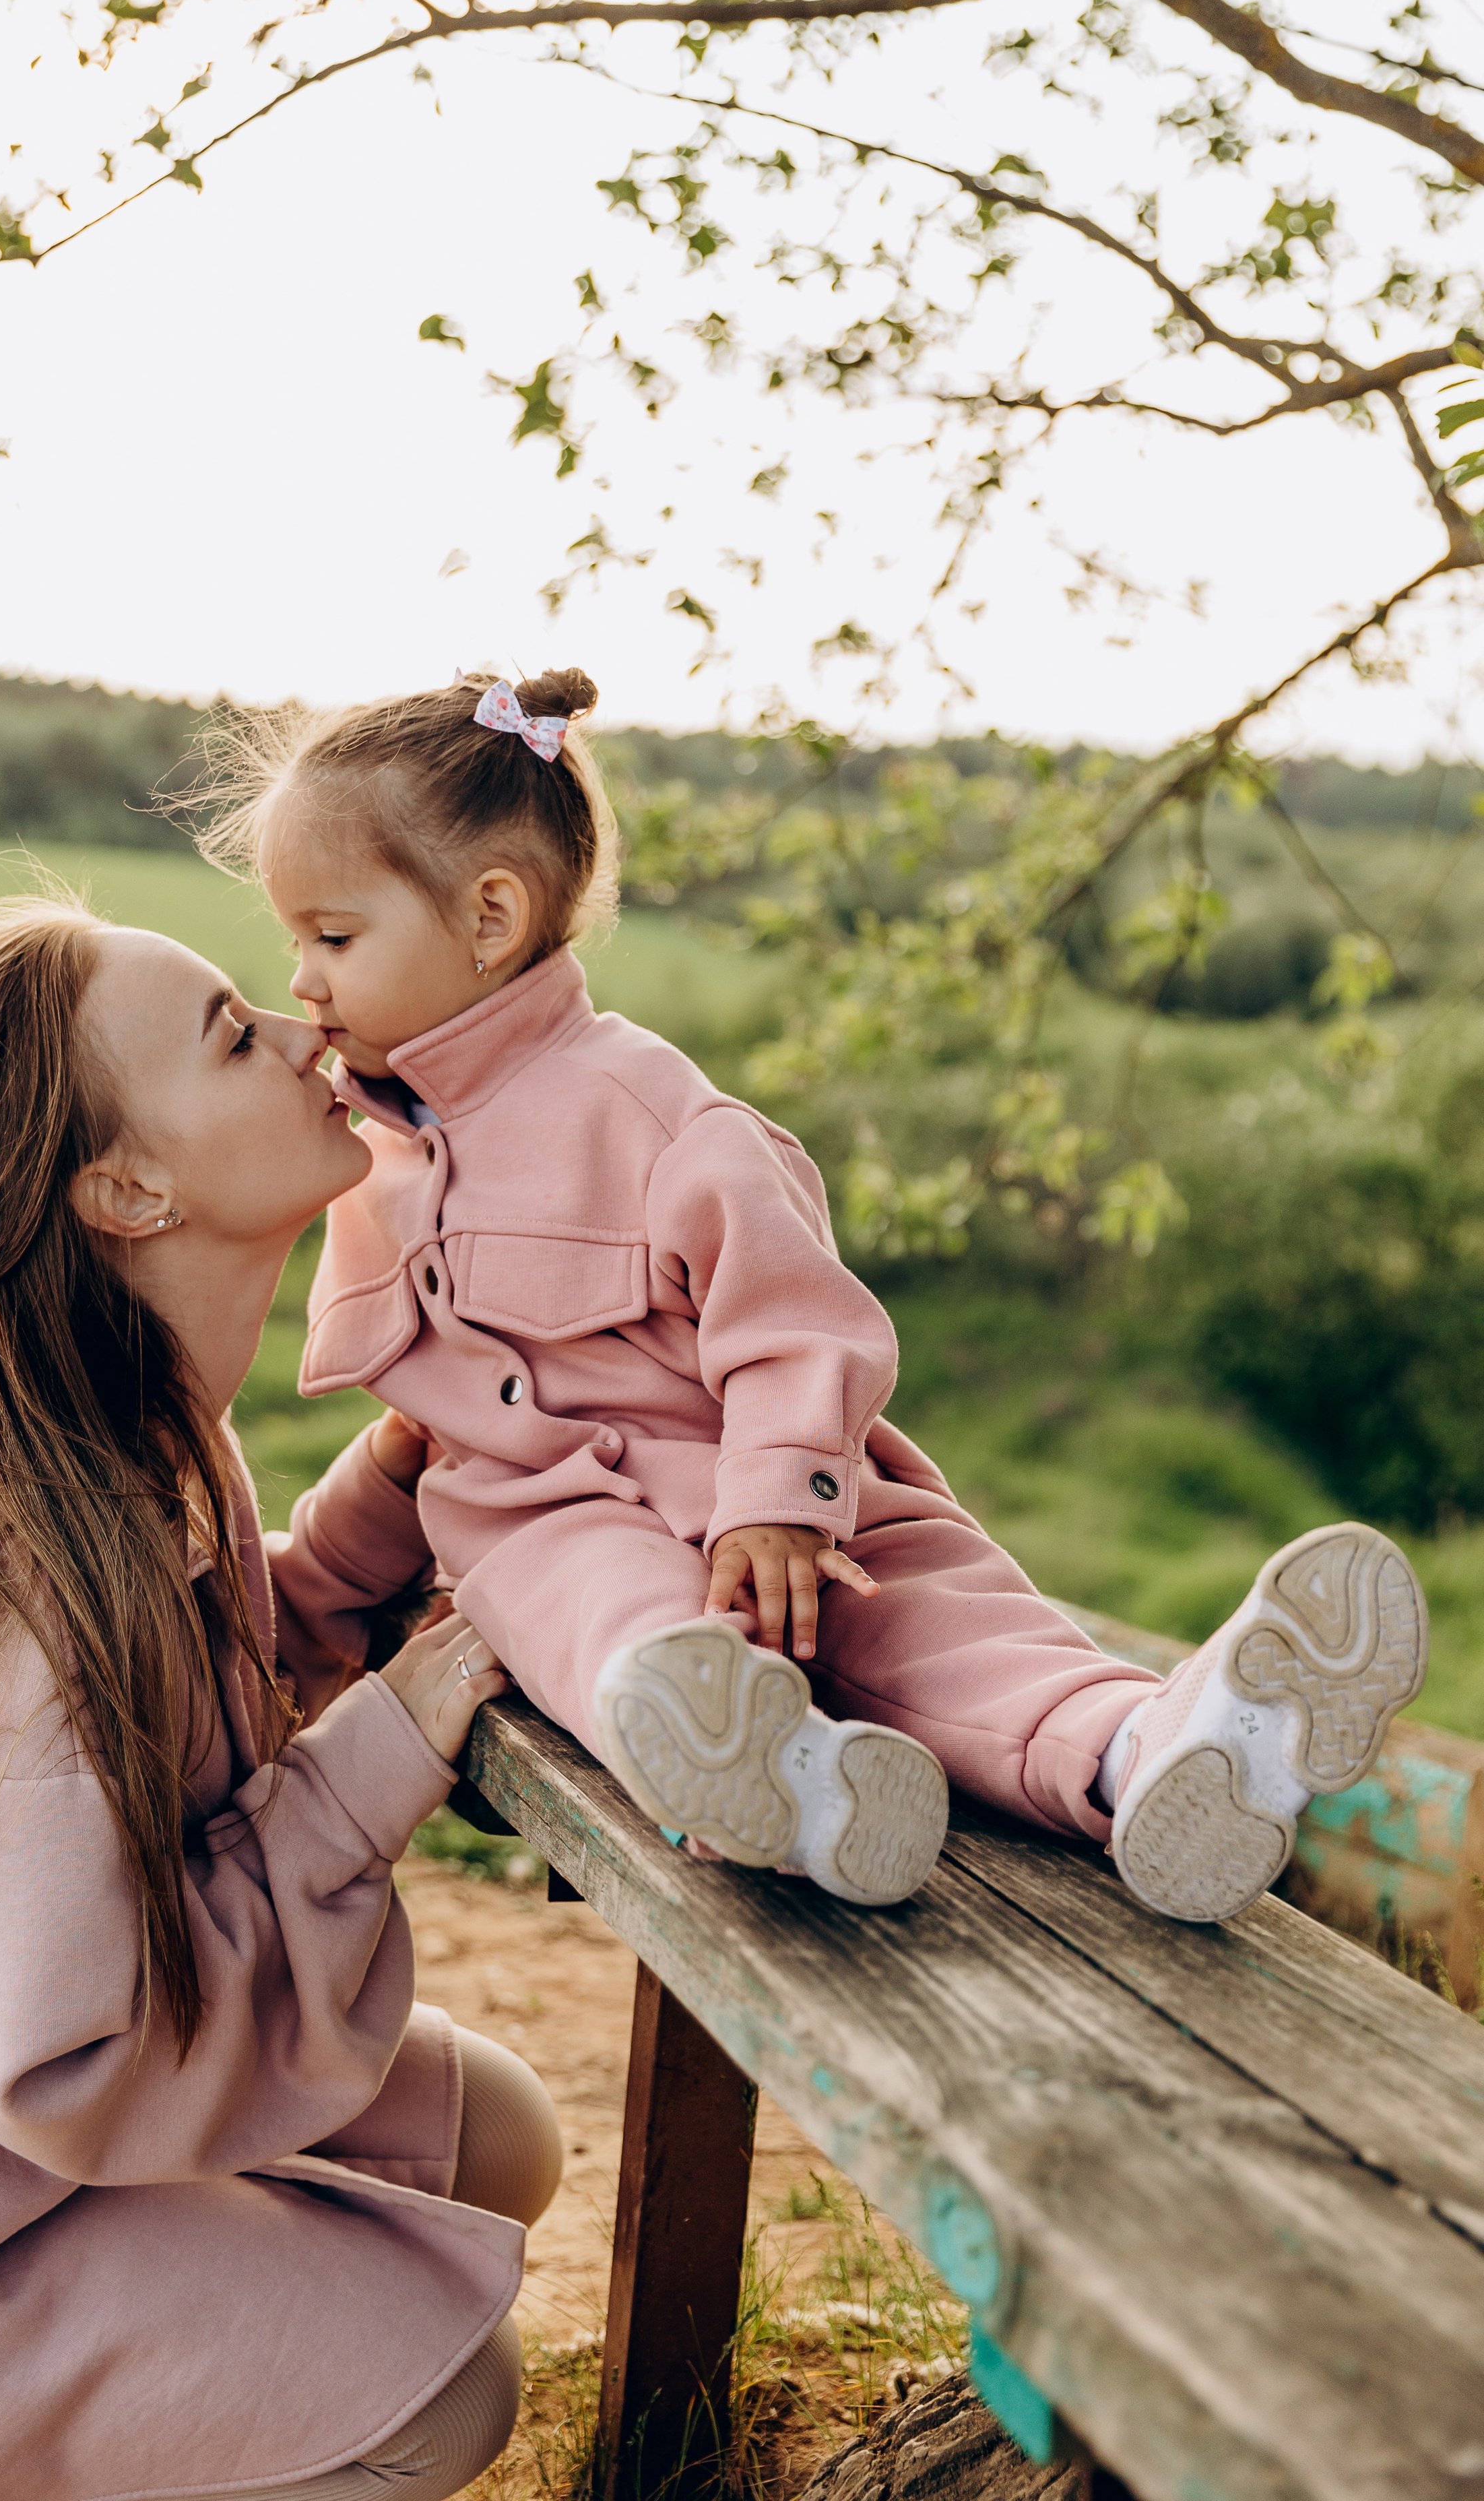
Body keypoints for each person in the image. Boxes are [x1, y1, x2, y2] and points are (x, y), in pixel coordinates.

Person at [212, 666, 1428, 1927]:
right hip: (569, 1522)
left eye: (332, 937)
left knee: (942, 1628)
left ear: (491, 917)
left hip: (798, 1502)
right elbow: (428, 1446)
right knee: (573, 1589)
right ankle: (781, 1775)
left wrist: (785, 1500)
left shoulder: (649, 1112)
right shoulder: (382, 1164)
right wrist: (309, 1594)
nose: (299, 977)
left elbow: (798, 1318)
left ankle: (1162, 1751)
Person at [0, 899, 558, 2501]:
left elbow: (181, 1668)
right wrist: (379, 1749)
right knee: (444, 2399)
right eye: (225, 1034)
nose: (296, 1027)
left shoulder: (120, 1444)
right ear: (128, 1188)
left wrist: (368, 1514)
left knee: (504, 2132)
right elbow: (67, 2052)